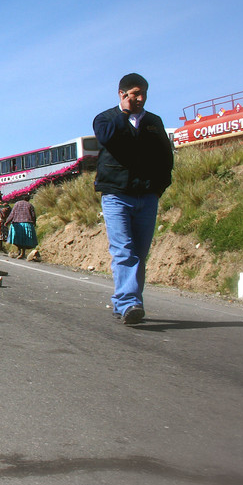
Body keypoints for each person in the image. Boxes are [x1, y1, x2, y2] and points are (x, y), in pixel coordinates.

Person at [93, 72, 174, 325]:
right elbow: (106, 138)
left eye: (143, 94)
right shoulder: (106, 119)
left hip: (147, 197)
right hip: (116, 196)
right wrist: (124, 114)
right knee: (123, 250)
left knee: (139, 252)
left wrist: (159, 187)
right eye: (135, 94)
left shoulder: (154, 121)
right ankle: (130, 303)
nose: (140, 99)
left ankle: (125, 304)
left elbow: (165, 155)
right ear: (122, 94)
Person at [4, 192, 37, 259]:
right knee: (24, 240)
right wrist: (34, 222)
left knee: (17, 239)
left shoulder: (17, 204)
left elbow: (12, 214)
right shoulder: (30, 205)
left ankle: (19, 251)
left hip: (17, 224)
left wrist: (7, 222)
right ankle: (23, 253)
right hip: (27, 224)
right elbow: (33, 216)